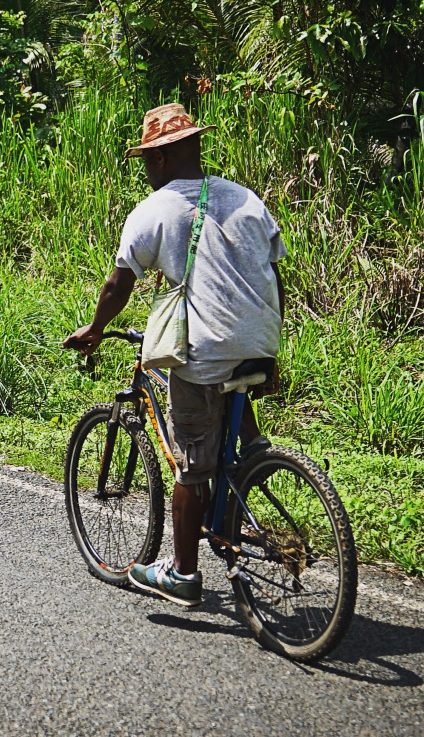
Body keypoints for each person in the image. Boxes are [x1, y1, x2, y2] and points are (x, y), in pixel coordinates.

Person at [62, 103, 286, 608]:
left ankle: (183, 573)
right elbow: (274, 273)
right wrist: (267, 349)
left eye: (147, 159)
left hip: (203, 351)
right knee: (228, 408)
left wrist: (96, 329)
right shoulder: (245, 199)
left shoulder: (154, 210)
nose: (146, 168)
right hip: (259, 339)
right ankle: (253, 462)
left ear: (159, 159)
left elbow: (120, 282)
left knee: (191, 463)